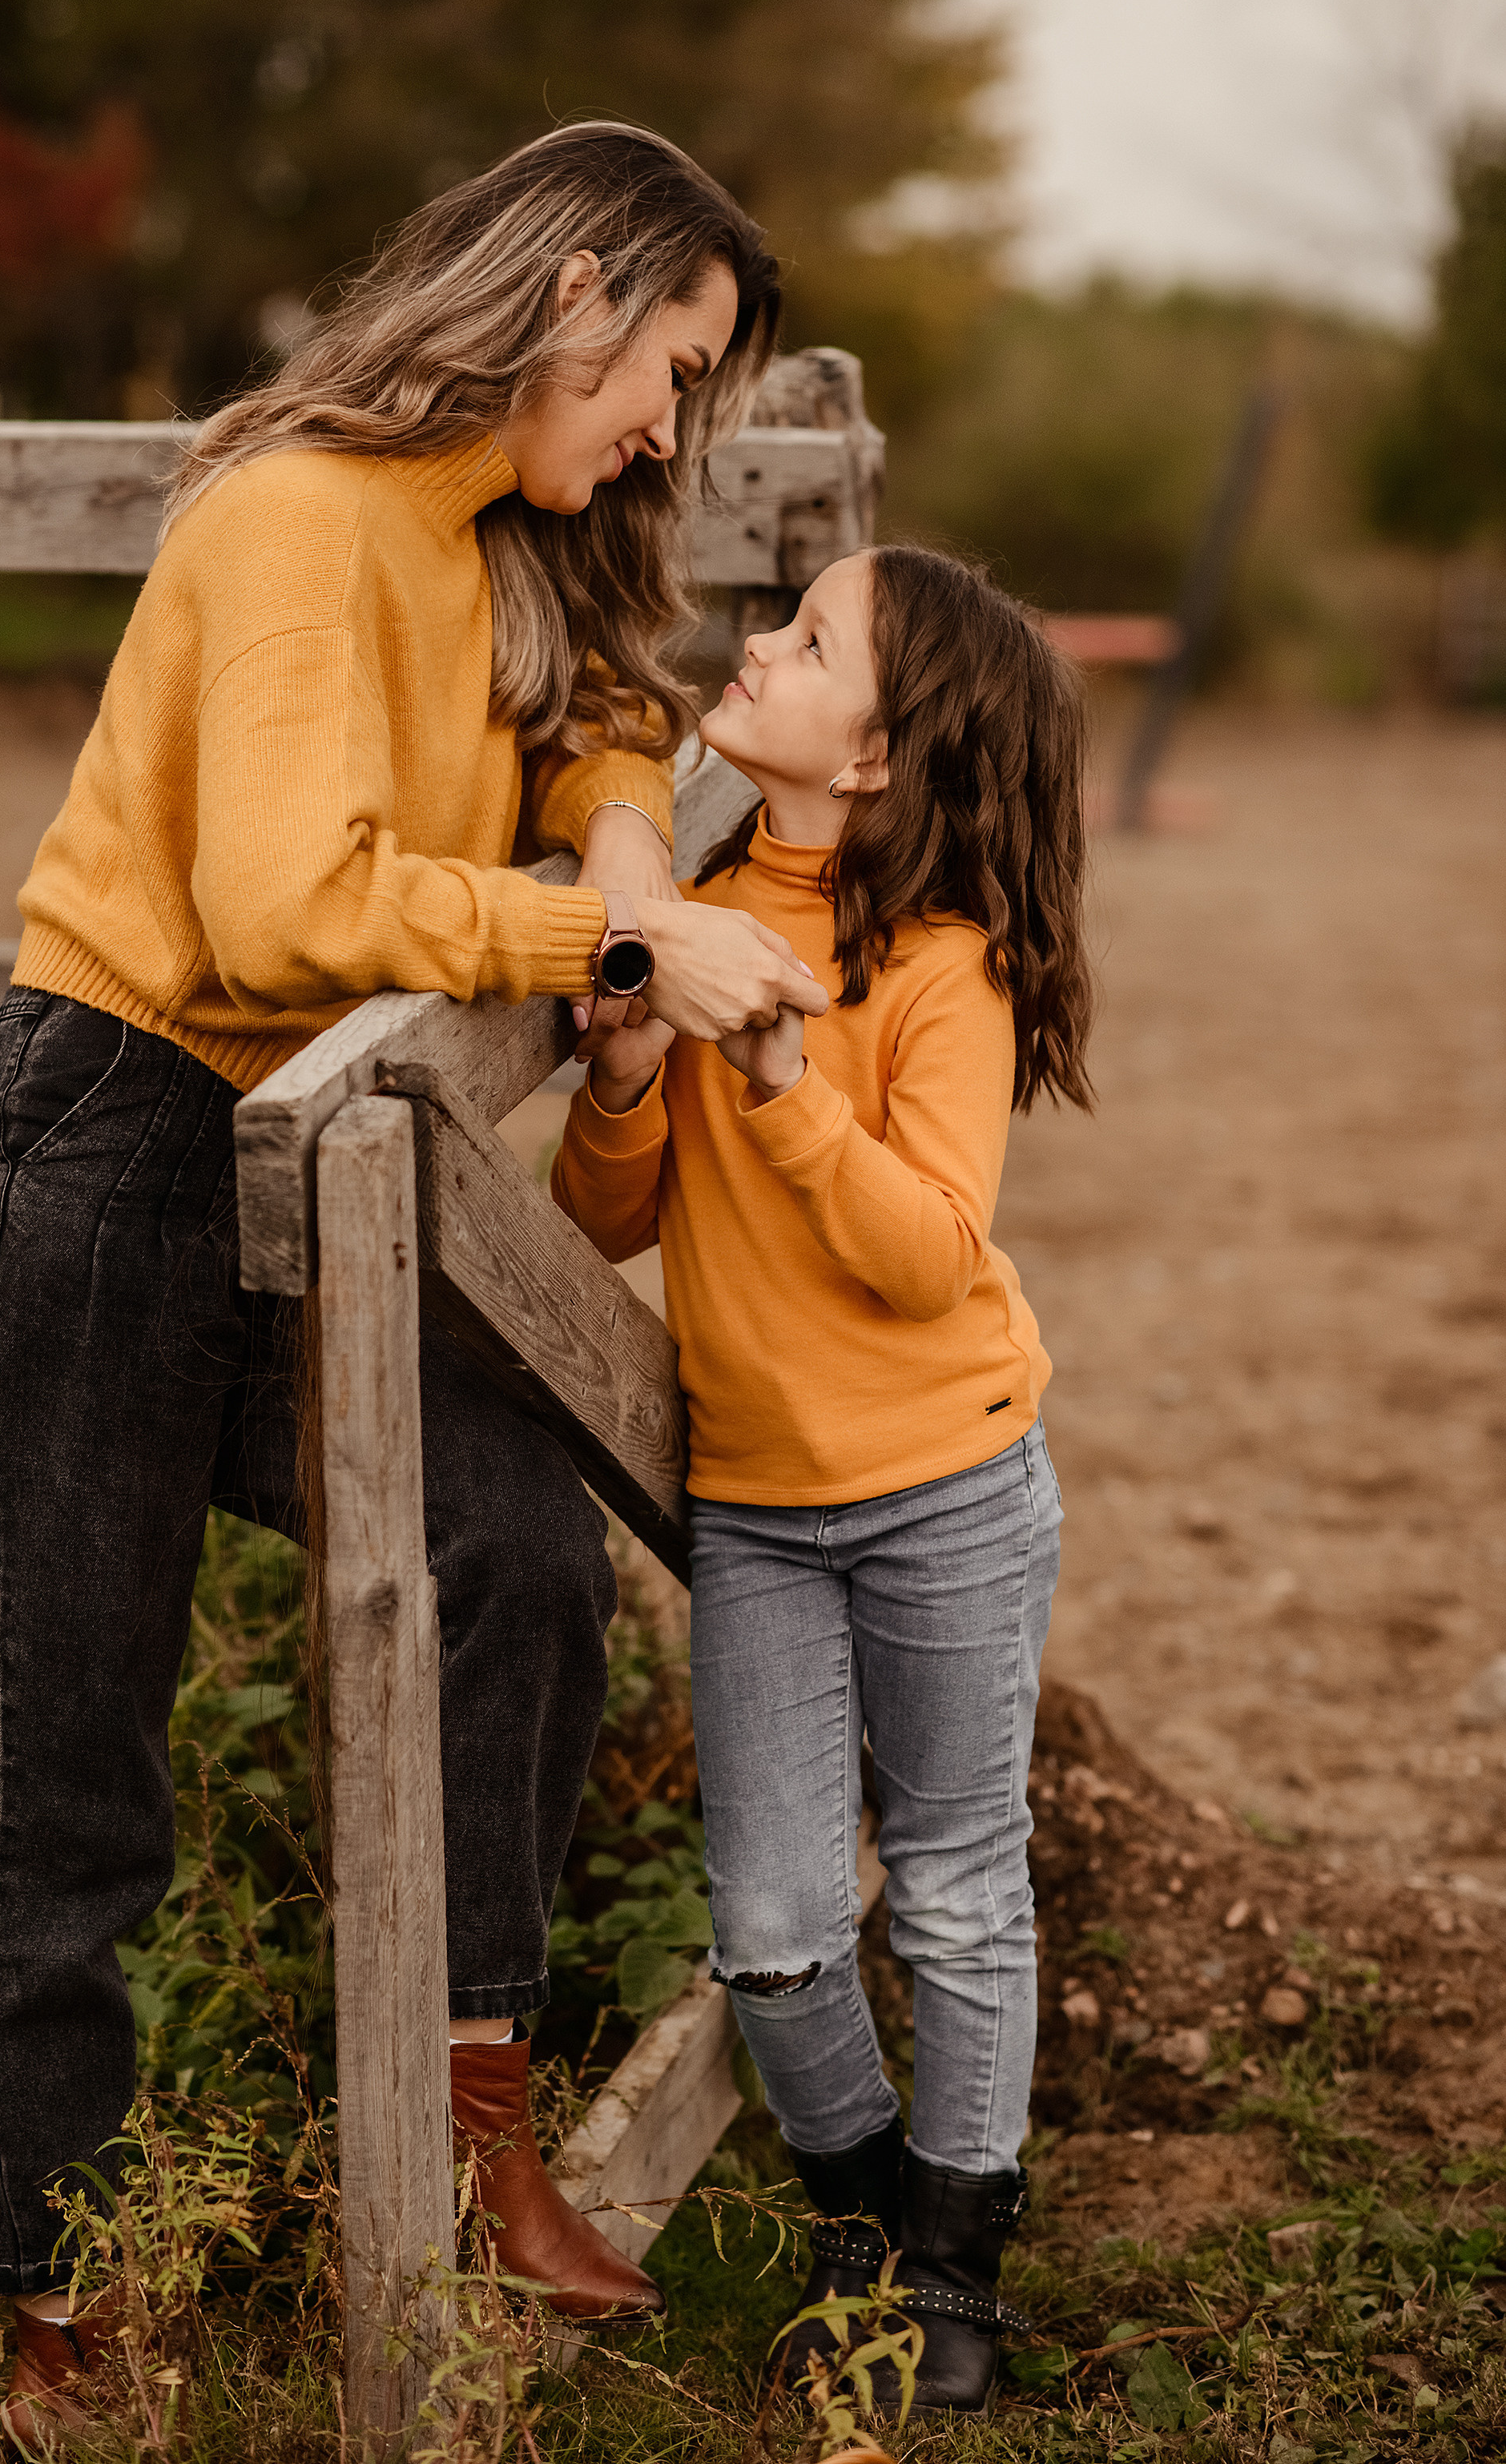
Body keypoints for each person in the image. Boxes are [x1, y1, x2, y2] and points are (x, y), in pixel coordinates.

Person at [0, 120, 834, 2451]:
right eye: (668, 374)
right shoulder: (303, 521)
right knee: (51, 1757)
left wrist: (618, 831)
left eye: (701, 405)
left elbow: (604, 710)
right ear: (575, 292)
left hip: (290, 1179)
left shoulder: (495, 532)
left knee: (515, 1550)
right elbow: (292, 902)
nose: (662, 435)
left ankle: (473, 2112)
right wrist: (620, 932)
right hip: (92, 1157)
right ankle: (62, 2311)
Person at [550, 542, 1097, 2414]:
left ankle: (946, 2269)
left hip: (946, 1484)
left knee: (951, 1890)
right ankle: (858, 2201)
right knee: (777, 1933)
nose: (754, 646)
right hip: (764, 1512)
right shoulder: (695, 914)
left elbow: (925, 1255)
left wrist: (783, 1075)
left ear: (873, 754)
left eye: (803, 639)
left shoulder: (945, 969)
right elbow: (606, 1212)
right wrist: (629, 1067)